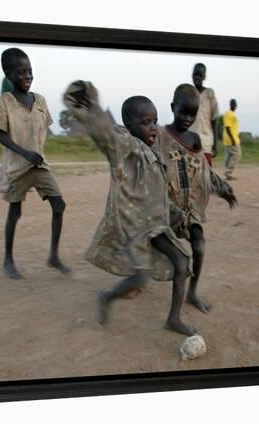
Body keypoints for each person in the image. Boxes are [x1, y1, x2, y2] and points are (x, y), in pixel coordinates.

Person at [63, 80, 197, 336]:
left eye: (155, 121)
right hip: (135, 228)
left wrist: (179, 216)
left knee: (182, 262)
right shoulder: (125, 148)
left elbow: (159, 194)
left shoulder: (154, 152)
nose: (153, 128)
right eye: (145, 122)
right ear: (129, 126)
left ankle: (174, 319)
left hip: (156, 225)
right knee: (140, 278)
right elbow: (105, 134)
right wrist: (91, 109)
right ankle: (107, 297)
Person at [0, 48, 71, 279]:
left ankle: (53, 256)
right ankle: (8, 260)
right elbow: (2, 136)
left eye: (30, 71)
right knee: (14, 212)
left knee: (59, 205)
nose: (27, 76)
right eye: (20, 72)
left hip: (40, 165)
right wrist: (25, 152)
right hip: (18, 167)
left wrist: (36, 151)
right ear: (8, 75)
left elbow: (44, 127)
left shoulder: (41, 100)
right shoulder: (5, 102)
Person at [158, 84, 237, 313]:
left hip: (188, 206)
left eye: (192, 114)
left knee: (199, 246)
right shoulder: (160, 136)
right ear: (173, 108)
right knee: (149, 244)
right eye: (183, 112)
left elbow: (204, 172)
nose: (187, 118)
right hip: (165, 206)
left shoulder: (194, 139)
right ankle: (137, 277)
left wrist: (223, 189)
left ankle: (192, 292)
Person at [189, 63, 220, 166]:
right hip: (189, 140)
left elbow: (214, 119)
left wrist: (215, 144)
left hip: (206, 141)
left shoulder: (209, 94)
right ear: (192, 75)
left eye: (200, 75)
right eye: (195, 74)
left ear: (204, 77)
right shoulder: (188, 92)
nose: (197, 77)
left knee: (207, 175)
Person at [223, 99, 242, 180]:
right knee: (237, 154)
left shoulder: (232, 113)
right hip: (231, 139)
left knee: (229, 155)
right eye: (233, 104)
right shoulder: (229, 114)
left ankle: (227, 174)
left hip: (231, 138)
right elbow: (227, 127)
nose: (235, 105)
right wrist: (233, 139)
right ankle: (228, 172)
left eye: (235, 104)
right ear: (230, 104)